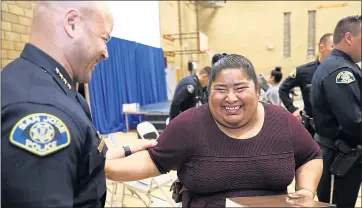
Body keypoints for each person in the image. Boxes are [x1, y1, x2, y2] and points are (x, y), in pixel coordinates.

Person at [105, 54, 323, 208]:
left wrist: (306, 190)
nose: (230, 98)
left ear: (257, 91)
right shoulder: (188, 125)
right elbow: (150, 163)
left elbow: (311, 156)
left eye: (240, 88)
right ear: (208, 94)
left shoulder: (282, 121)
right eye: (220, 89)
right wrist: (104, 164)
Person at [1, 1, 155, 207]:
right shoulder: (42, 112)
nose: (106, 53)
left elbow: (83, 159)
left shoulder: (45, 86)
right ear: (72, 24)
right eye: (104, 39)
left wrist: (129, 149)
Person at [311, 15, 361, 208]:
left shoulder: (341, 66)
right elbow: (353, 121)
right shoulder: (341, 71)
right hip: (338, 158)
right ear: (348, 38)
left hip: (343, 155)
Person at [279, 33, 334, 136]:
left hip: (336, 129)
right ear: (322, 48)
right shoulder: (303, 71)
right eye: (333, 46)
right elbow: (283, 89)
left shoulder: (342, 71)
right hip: (312, 129)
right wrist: (292, 109)